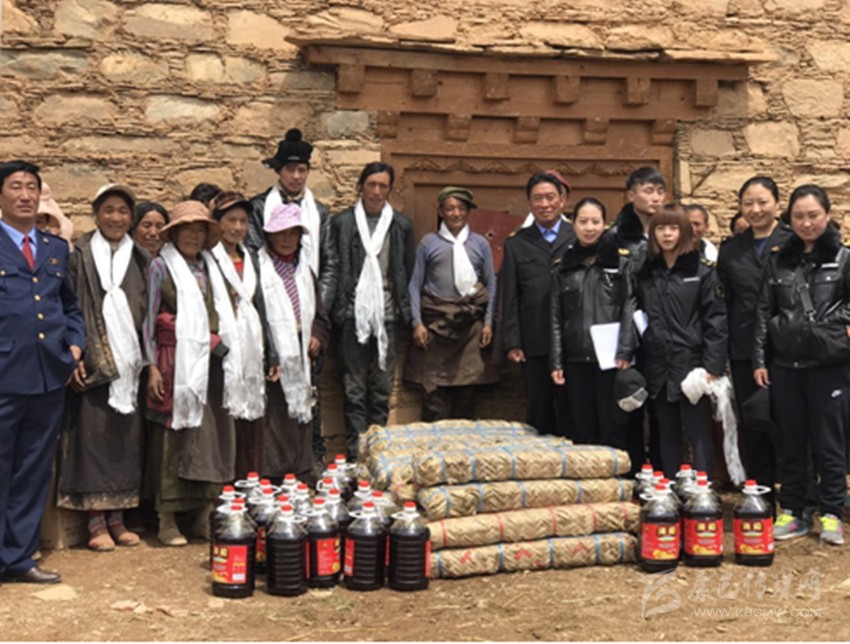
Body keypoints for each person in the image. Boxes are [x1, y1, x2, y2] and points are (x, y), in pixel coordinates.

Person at [0, 160, 85, 583]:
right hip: (4, 375)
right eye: (16, 186)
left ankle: (18, 559)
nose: (25, 195)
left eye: (32, 187)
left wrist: (75, 344)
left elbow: (69, 305)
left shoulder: (56, 248)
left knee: (33, 470)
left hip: (48, 375)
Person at [753, 184, 850, 546]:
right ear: (789, 219)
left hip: (829, 364)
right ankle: (793, 510)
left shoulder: (843, 258)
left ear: (827, 215)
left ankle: (831, 513)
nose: (806, 223)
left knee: (829, 443)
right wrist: (759, 360)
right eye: (799, 216)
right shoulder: (779, 260)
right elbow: (764, 312)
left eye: (813, 215)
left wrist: (822, 324)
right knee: (791, 443)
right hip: (785, 365)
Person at [57, 183, 148, 551]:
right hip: (92, 361)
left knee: (125, 442)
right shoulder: (78, 255)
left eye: (123, 211)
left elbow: (147, 310)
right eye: (108, 210)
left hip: (130, 364)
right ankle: (95, 521)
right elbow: (66, 304)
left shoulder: (141, 258)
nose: (115, 217)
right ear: (96, 214)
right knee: (92, 440)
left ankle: (118, 518)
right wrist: (73, 354)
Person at [142, 201, 236, 546]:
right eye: (187, 229)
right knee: (173, 438)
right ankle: (167, 519)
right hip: (175, 363)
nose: (193, 236)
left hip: (211, 363)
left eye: (200, 230)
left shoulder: (212, 267)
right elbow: (149, 318)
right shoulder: (160, 267)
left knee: (210, 436)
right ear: (175, 234)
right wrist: (152, 366)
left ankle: (203, 514)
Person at [249, 128, 338, 471]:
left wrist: (316, 323)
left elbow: (329, 265)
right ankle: (271, 469)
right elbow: (256, 264)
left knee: (310, 392)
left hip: (308, 312)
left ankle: (310, 461)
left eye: (302, 170)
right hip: (272, 313)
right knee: (274, 399)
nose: (296, 176)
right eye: (290, 169)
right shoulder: (259, 207)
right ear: (279, 171)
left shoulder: (321, 213)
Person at [619, 204, 727, 478]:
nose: (667, 234)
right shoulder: (645, 273)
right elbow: (633, 313)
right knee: (666, 432)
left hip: (692, 363)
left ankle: (703, 490)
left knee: (697, 431)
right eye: (661, 228)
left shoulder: (702, 271)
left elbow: (716, 320)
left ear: (685, 232)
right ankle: (669, 488)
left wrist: (712, 366)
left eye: (673, 228)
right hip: (657, 362)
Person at [329, 162, 415, 459]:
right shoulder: (343, 223)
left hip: (387, 317)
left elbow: (406, 270)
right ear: (361, 187)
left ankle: (378, 454)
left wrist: (407, 312)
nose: (377, 192)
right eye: (371, 185)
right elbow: (334, 267)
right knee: (353, 390)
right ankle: (355, 457)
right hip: (351, 316)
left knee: (381, 390)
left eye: (383, 186)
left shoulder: (400, 225)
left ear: (390, 190)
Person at [717, 177, 792, 509]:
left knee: (792, 423)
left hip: (789, 347)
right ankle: (761, 497)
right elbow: (723, 304)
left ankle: (797, 499)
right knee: (755, 423)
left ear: (776, 203)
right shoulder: (732, 250)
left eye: (762, 202)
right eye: (748, 203)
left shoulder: (793, 242)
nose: (756, 209)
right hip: (745, 349)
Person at [549, 198, 637, 458]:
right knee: (581, 428)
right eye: (583, 221)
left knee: (613, 426)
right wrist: (556, 361)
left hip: (611, 360)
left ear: (604, 224)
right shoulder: (563, 267)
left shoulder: (620, 263)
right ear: (573, 225)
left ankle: (617, 478)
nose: (589, 228)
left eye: (595, 222)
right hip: (576, 358)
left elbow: (629, 306)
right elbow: (555, 317)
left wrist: (625, 350)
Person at [404, 186, 498, 421]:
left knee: (467, 390)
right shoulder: (428, 243)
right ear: (441, 212)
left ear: (468, 212)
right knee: (432, 391)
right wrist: (417, 323)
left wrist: (488, 323)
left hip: (470, 324)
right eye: (450, 208)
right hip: (436, 323)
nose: (456, 213)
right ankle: (433, 440)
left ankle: (462, 441)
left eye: (461, 208)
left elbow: (491, 285)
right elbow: (414, 284)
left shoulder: (480, 244)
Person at [257, 203, 330, 481]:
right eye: (281, 233)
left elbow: (319, 313)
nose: (287, 239)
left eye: (293, 233)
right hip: (271, 348)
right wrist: (269, 350)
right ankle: (274, 475)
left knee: (302, 411)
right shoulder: (260, 269)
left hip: (302, 349)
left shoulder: (304, 271)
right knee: (276, 414)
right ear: (270, 236)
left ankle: (300, 470)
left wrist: (317, 336)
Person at [499, 172, 575, 436]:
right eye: (538, 198)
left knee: (573, 407)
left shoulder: (577, 236)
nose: (545, 204)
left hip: (573, 339)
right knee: (539, 408)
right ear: (529, 203)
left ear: (562, 200)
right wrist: (513, 341)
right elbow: (509, 295)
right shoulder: (517, 243)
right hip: (535, 339)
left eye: (550, 197)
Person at [208, 192, 267, 478]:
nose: (238, 227)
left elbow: (260, 304)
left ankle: (248, 478)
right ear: (218, 223)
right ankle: (224, 481)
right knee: (223, 416)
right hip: (223, 348)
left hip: (251, 347)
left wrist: (271, 352)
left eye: (243, 221)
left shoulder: (251, 257)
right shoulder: (209, 259)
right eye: (231, 220)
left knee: (250, 422)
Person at [610, 167, 667, 270]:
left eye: (660, 192)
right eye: (649, 191)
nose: (656, 198)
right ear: (631, 196)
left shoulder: (671, 234)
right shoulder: (615, 236)